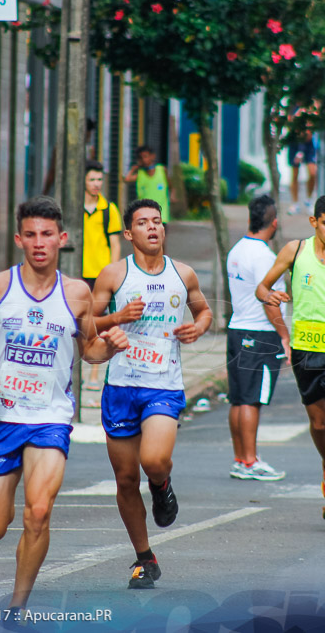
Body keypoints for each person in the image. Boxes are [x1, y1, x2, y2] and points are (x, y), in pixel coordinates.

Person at [0, 197, 128, 613]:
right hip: (0, 419)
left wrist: (112, 348)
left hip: (50, 418)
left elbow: (90, 351)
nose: (39, 242)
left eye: (47, 234)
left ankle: (18, 607)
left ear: (62, 239)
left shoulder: (77, 293)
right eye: (30, 234)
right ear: (19, 240)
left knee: (40, 511)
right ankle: (6, 491)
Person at [91, 198, 212, 589]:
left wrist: (198, 327)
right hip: (122, 386)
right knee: (126, 479)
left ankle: (161, 486)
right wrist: (116, 319)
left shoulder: (183, 274)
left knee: (154, 460)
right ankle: (145, 558)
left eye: (157, 222)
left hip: (164, 383)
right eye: (143, 223)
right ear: (129, 233)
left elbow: (204, 311)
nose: (152, 228)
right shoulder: (113, 275)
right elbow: (87, 324)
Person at [256, 195, 325, 526]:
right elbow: (262, 288)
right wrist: (271, 295)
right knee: (319, 424)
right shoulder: (295, 251)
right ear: (314, 222)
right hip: (305, 348)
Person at [225, 195, 289, 482]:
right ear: (273, 222)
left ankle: (241, 459)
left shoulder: (237, 250)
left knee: (238, 399)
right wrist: (285, 336)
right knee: (252, 400)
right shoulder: (264, 256)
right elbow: (270, 301)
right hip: (260, 333)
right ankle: (250, 462)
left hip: (237, 329)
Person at [82, 159, 123, 391]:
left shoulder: (109, 209)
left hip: (100, 277)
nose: (96, 184)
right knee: (76, 323)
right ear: (84, 182)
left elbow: (115, 243)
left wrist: (112, 273)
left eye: (99, 180)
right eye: (92, 180)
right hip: (78, 275)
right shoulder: (74, 208)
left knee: (100, 324)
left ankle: (95, 372)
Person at [124, 146, 170, 233]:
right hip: (144, 212)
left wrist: (172, 195)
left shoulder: (162, 170)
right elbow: (127, 179)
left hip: (161, 212)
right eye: (141, 158)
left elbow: (170, 184)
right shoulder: (140, 174)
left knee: (160, 239)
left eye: (146, 156)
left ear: (153, 156)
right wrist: (134, 169)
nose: (144, 160)